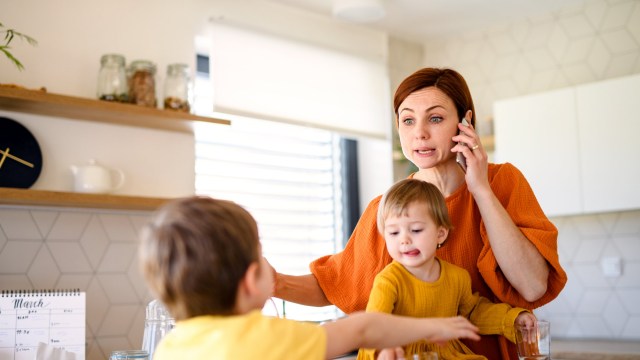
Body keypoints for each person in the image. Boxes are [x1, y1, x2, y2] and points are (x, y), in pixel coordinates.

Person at [273, 67, 567, 359]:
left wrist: (480, 189)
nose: (420, 134)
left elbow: (532, 286)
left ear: (465, 122)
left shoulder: (503, 182)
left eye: (435, 118)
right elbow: (336, 283)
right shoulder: (388, 207)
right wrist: (274, 283)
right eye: (408, 120)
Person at [138, 196, 481, 360]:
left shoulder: (170, 347)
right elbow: (362, 327)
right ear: (251, 279)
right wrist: (437, 327)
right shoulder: (266, 338)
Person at [358, 179, 537, 360]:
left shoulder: (457, 277)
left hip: (444, 353)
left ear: (440, 234)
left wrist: (512, 319)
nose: (404, 240)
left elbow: (473, 313)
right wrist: (385, 352)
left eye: (416, 229)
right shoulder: (389, 280)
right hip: (399, 353)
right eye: (394, 233)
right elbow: (375, 324)